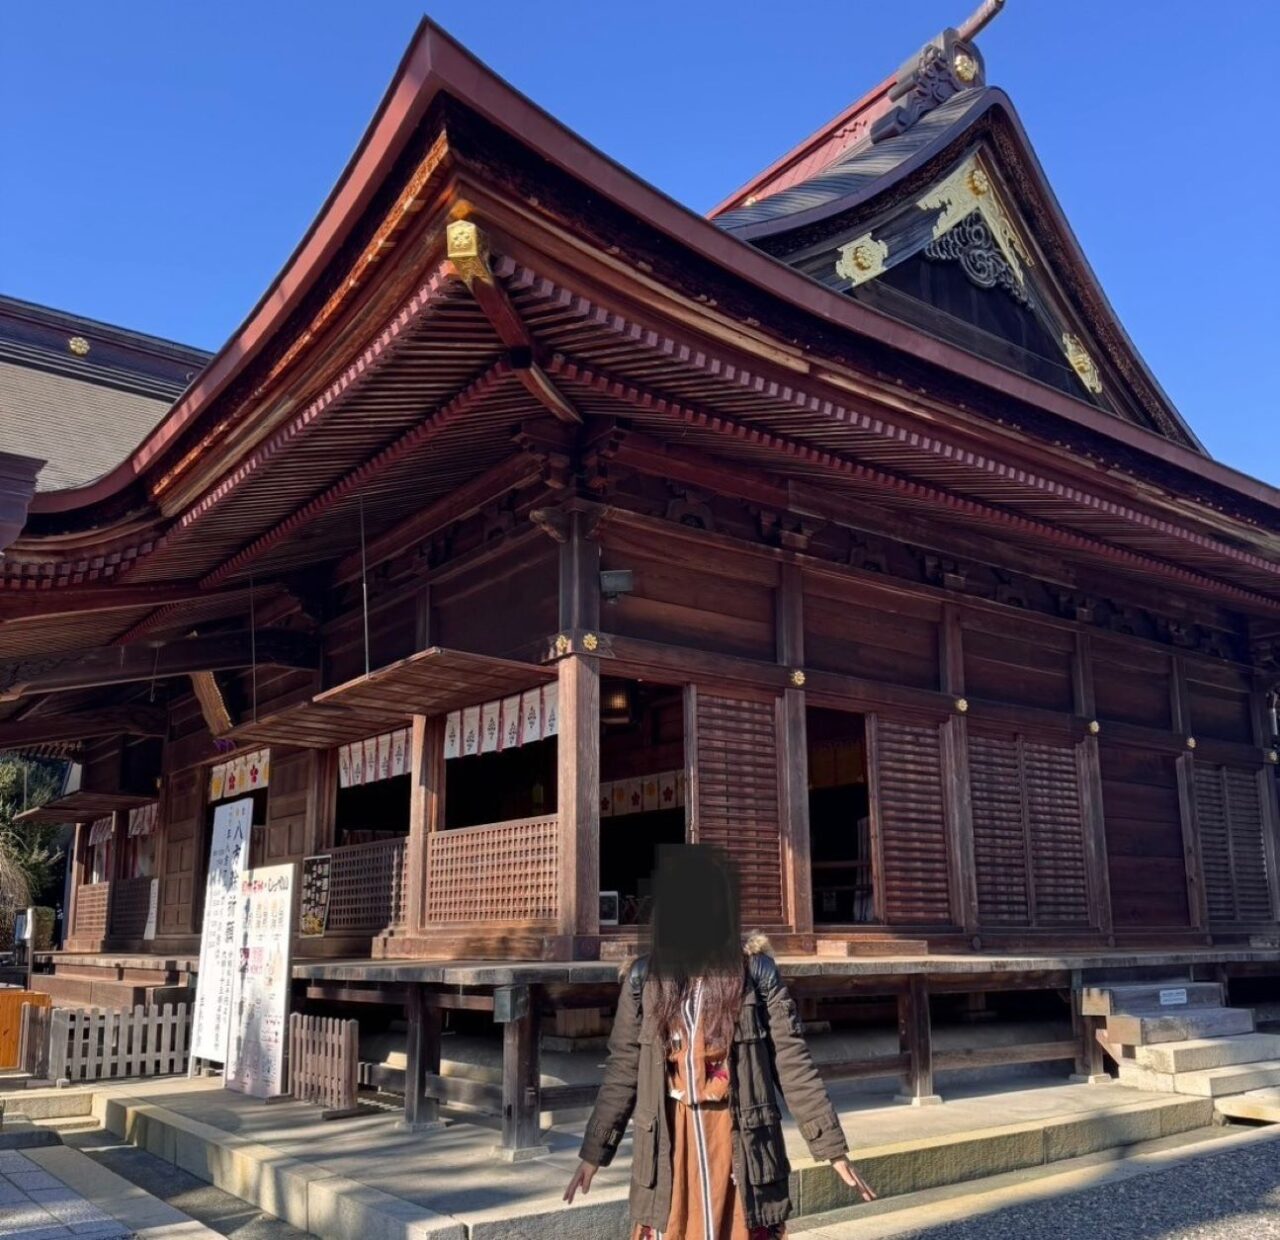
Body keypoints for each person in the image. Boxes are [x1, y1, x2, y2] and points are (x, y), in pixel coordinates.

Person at [564, 844, 875, 1238]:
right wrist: (594, 1153)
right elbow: (623, 1071)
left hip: (736, 1133)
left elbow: (792, 1061)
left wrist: (831, 1147)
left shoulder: (754, 973)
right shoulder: (645, 978)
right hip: (670, 1139)